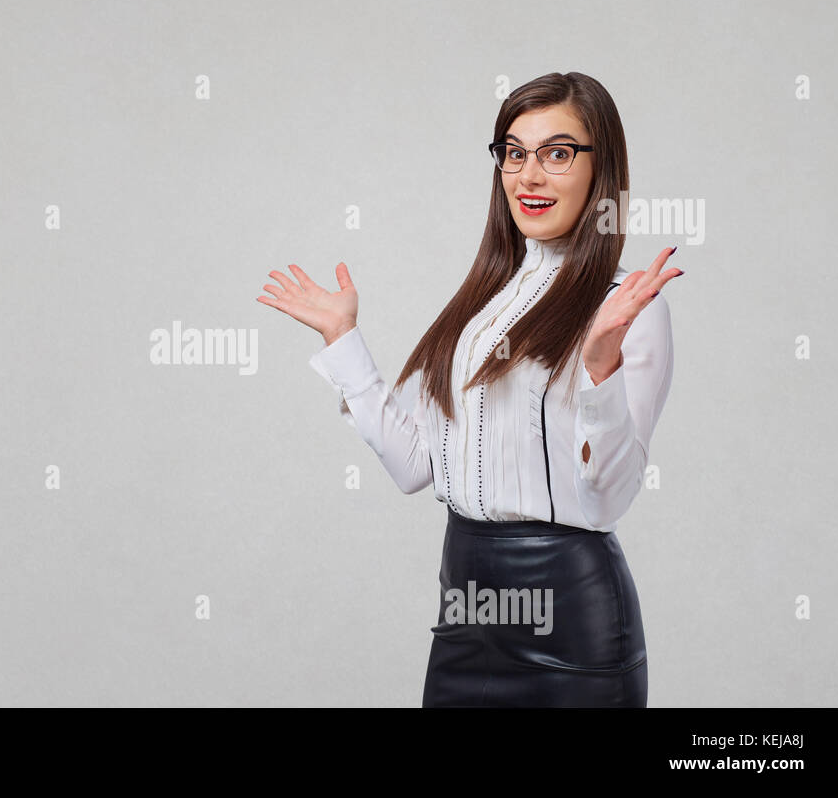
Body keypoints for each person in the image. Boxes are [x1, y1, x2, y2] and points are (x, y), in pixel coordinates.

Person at [255, 72, 682, 707]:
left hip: (570, 618)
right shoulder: (480, 306)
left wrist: (600, 368)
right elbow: (412, 466)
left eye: (556, 153)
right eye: (514, 152)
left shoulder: (627, 308)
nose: (528, 175)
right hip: (466, 606)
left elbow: (610, 499)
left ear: (601, 169)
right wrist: (343, 340)